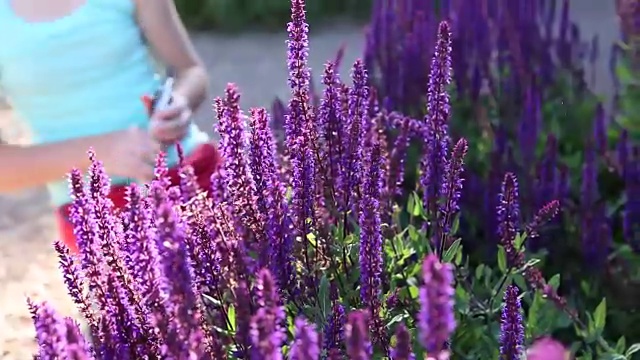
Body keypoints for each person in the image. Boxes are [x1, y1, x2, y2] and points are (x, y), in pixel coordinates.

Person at [0, 0, 221, 252]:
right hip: (94, 214)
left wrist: (179, 103)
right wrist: (99, 152)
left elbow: (191, 71)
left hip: (190, 173)